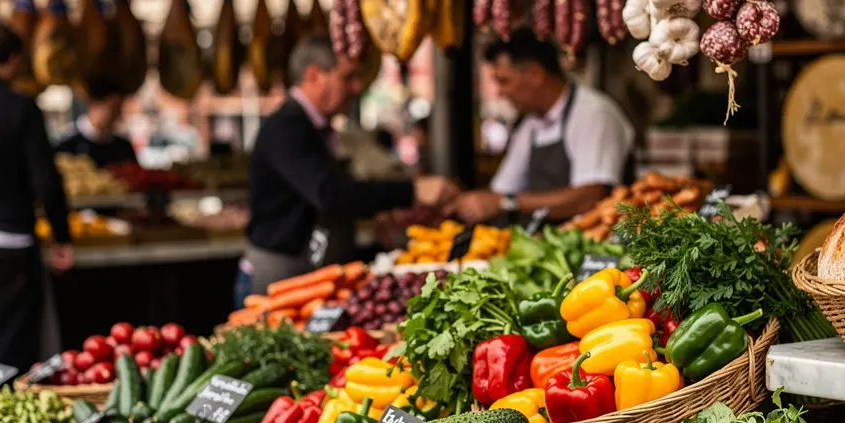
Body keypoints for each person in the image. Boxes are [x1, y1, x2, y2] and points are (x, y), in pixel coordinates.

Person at [241, 34, 457, 299]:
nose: (357, 88)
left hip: (311, 272)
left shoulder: (316, 128)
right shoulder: (288, 127)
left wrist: (379, 213)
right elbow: (330, 194)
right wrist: (411, 191)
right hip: (282, 277)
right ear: (314, 76)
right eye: (348, 77)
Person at [454, 28, 635, 224]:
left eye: (504, 81)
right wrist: (468, 201)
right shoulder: (530, 124)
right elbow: (502, 189)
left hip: (596, 245)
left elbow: (591, 196)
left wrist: (507, 202)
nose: (500, 93)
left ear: (535, 74)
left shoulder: (593, 113)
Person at [0, 24, 73, 374]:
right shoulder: (21, 108)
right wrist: (62, 236)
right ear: (11, 60)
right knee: (13, 348)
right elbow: (47, 180)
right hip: (13, 243)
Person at [56, 80, 138, 167]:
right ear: (93, 103)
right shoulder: (68, 146)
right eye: (112, 108)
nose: (117, 115)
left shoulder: (124, 148)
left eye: (119, 109)